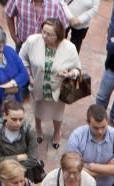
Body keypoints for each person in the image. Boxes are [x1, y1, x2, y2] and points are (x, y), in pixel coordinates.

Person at [19, 17, 82, 149]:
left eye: (49, 34)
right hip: (37, 86)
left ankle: (57, 132)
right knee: (37, 110)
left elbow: (77, 68)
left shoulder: (69, 48)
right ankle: (38, 128)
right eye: (43, 31)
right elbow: (22, 59)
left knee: (57, 114)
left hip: (58, 90)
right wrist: (29, 76)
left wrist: (71, 74)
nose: (44, 36)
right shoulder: (32, 41)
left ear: (59, 36)